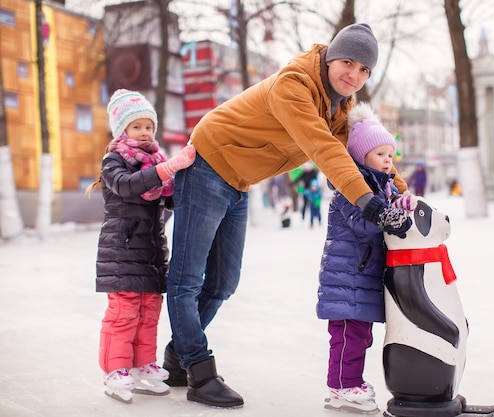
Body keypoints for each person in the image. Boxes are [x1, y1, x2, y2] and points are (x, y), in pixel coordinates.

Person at [162, 23, 413, 409]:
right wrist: (369, 202)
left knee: (224, 282)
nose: (355, 75)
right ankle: (198, 368)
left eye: (364, 70)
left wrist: (405, 195)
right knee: (187, 278)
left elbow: (366, 153)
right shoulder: (293, 85)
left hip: (239, 181)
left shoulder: (338, 107)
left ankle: (179, 356)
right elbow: (323, 149)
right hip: (206, 165)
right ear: (330, 57)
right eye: (348, 62)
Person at [87, 89, 196, 404]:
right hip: (122, 251)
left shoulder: (155, 163)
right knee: (124, 312)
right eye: (137, 126)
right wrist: (168, 169)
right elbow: (128, 186)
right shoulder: (115, 160)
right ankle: (115, 369)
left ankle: (143, 366)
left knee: (149, 312)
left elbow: (167, 198)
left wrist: (181, 179)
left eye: (149, 126)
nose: (145, 132)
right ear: (122, 130)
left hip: (150, 252)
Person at [316, 103, 418, 414]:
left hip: (362, 278)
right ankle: (342, 388)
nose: (388, 160)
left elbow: (387, 209)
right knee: (348, 337)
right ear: (361, 157)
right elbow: (363, 225)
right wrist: (388, 215)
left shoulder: (382, 186)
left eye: (391, 154)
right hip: (347, 278)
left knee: (359, 336)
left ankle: (349, 382)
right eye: (380, 154)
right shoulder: (351, 188)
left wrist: (401, 204)